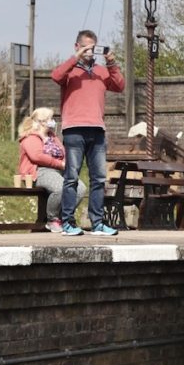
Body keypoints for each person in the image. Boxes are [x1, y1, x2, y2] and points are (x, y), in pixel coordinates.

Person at [50, 30, 125, 236]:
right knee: (71, 177)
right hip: (74, 130)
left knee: (99, 178)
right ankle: (67, 222)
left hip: (97, 130)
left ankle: (98, 223)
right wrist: (76, 58)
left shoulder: (102, 70)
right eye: (86, 47)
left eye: (94, 47)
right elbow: (55, 75)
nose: (91, 51)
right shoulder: (69, 71)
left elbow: (119, 85)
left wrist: (111, 63)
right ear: (77, 46)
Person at [17, 107, 87, 233]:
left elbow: (64, 152)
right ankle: (52, 219)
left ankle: (64, 217)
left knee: (80, 189)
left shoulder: (52, 137)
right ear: (41, 121)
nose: (53, 121)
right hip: (40, 171)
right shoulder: (30, 137)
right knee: (61, 188)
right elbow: (37, 156)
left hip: (60, 171)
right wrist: (60, 164)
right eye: (50, 119)